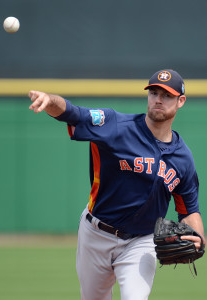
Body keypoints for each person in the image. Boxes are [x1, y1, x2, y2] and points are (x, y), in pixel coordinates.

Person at [29, 69, 205, 300]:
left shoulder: (183, 158)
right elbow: (73, 114)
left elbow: (189, 210)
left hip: (141, 242)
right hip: (96, 233)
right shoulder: (115, 125)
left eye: (167, 95)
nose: (158, 99)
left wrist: (200, 240)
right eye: (154, 92)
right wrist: (50, 100)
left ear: (181, 101)